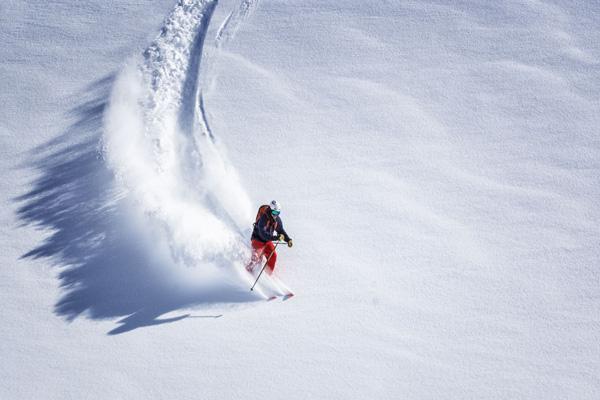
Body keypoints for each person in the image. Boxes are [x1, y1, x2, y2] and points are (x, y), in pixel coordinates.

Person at [246, 200, 293, 275]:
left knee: (273, 256)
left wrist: (288, 240)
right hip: (257, 240)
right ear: (270, 210)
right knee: (256, 258)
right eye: (274, 213)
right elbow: (263, 235)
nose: (275, 215)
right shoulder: (263, 219)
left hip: (267, 241)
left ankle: (267, 275)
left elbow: (280, 230)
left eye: (277, 213)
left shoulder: (277, 220)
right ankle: (247, 272)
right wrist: (276, 238)